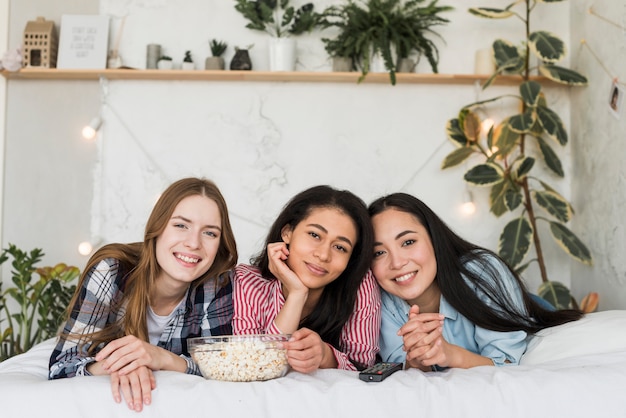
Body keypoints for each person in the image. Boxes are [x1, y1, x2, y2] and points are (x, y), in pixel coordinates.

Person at [49, 177, 237, 412]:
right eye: (181, 225)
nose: (193, 243)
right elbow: (61, 366)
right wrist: (123, 363)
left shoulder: (216, 283)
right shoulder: (112, 270)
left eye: (210, 233)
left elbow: (220, 368)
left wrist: (161, 358)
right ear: (157, 228)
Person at [368, 192, 584, 371]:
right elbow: (403, 373)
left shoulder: (482, 272)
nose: (397, 262)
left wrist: (450, 354)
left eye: (408, 242)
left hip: (517, 306)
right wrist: (418, 360)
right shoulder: (377, 299)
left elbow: (507, 363)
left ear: (434, 239)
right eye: (378, 253)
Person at [232, 185, 381, 373]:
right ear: (287, 232)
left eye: (340, 247)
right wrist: (296, 294)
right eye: (314, 235)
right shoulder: (247, 281)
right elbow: (254, 366)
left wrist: (326, 356)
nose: (323, 255)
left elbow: (364, 366)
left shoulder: (359, 284)